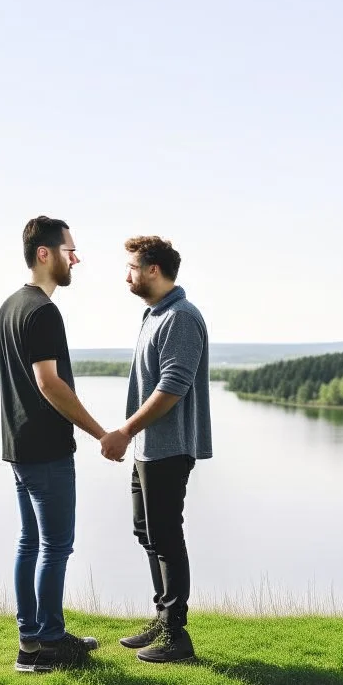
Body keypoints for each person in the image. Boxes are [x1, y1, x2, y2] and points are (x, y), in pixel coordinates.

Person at [0, 216, 106, 672]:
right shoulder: (43, 310)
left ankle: (34, 641)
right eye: (69, 250)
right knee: (56, 545)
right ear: (45, 254)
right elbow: (49, 384)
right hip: (45, 449)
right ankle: (48, 649)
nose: (75, 258)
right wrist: (102, 433)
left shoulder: (10, 305)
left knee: (31, 542)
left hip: (19, 446)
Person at [100, 236, 212, 663]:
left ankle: (177, 637)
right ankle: (163, 618)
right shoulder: (154, 315)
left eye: (131, 266)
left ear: (152, 269)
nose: (125, 273)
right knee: (147, 532)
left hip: (168, 448)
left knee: (166, 536)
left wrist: (125, 430)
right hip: (148, 448)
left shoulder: (180, 318)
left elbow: (172, 387)